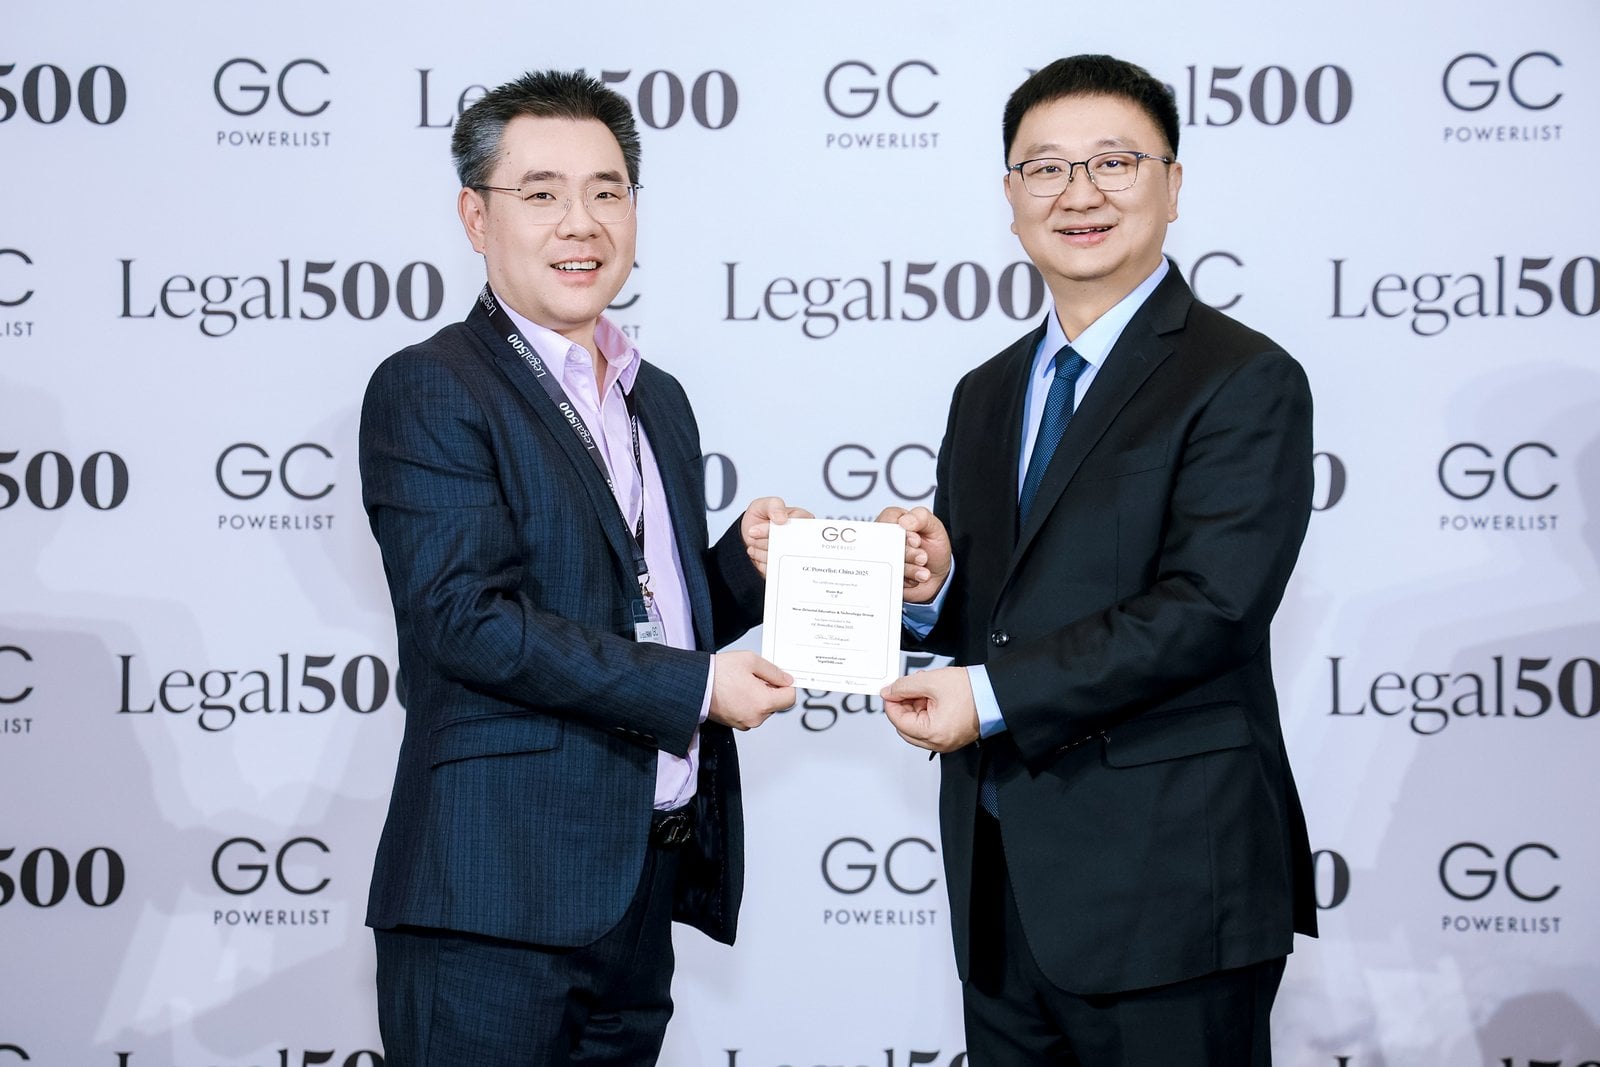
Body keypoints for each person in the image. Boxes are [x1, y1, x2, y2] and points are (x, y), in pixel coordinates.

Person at [877, 55, 1318, 1065]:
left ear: (1173, 184)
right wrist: (933, 590)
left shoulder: (1242, 377)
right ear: (1010, 198)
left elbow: (1210, 607)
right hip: (1001, 892)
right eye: (1045, 168)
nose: (1079, 194)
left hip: (1170, 894)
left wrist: (988, 696)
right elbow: (1002, 612)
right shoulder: (985, 391)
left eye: (1114, 162)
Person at [358, 69, 800, 1065]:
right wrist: (698, 687)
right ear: (476, 217)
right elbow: (467, 618)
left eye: (607, 191)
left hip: (637, 892)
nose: (581, 223)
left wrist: (743, 568)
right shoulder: (432, 386)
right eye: (542, 193)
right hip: (493, 900)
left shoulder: (657, 397)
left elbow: (628, 608)